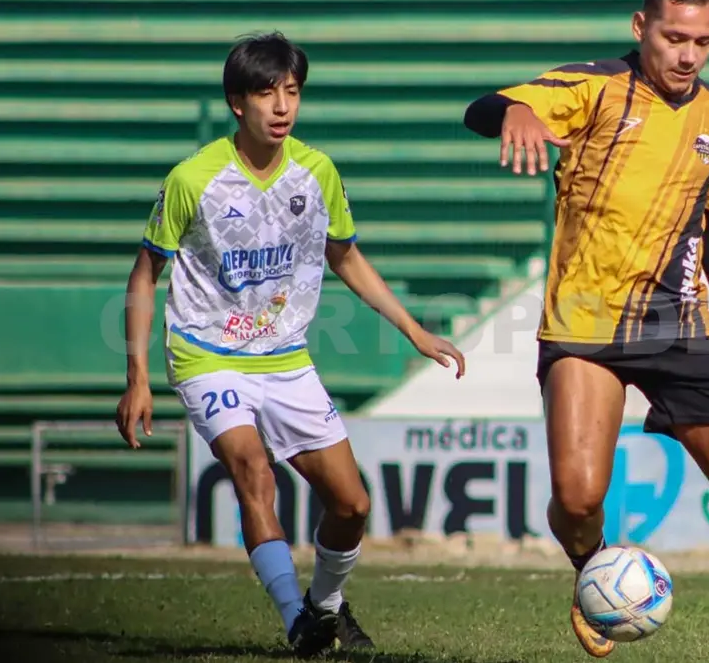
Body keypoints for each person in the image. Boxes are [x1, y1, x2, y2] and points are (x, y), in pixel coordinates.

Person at [463, 0, 709, 661]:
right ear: (641, 27)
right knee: (576, 498)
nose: (687, 54)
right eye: (674, 37)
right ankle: (595, 570)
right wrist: (514, 111)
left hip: (678, 323)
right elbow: (481, 109)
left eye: (703, 41)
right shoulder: (594, 87)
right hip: (585, 322)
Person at [115, 32, 466, 658]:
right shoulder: (194, 178)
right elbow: (146, 271)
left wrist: (413, 330)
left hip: (286, 358)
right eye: (266, 92)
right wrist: (138, 375)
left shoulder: (317, 172)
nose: (282, 106)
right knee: (253, 468)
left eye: (292, 92)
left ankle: (325, 609)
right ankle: (297, 625)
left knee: (352, 505)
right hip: (206, 353)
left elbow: (346, 257)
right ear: (236, 102)